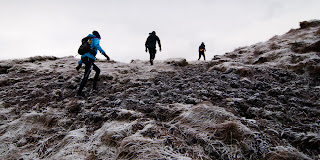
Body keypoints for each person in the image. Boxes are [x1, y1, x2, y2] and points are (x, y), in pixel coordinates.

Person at [76, 31, 110, 96]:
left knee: (97, 70)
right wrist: (105, 55)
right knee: (86, 75)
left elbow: (84, 54)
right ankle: (78, 93)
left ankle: (94, 88)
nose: (99, 40)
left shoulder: (89, 40)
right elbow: (97, 46)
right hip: (89, 59)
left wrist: (79, 64)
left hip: (86, 59)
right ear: (98, 37)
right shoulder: (95, 39)